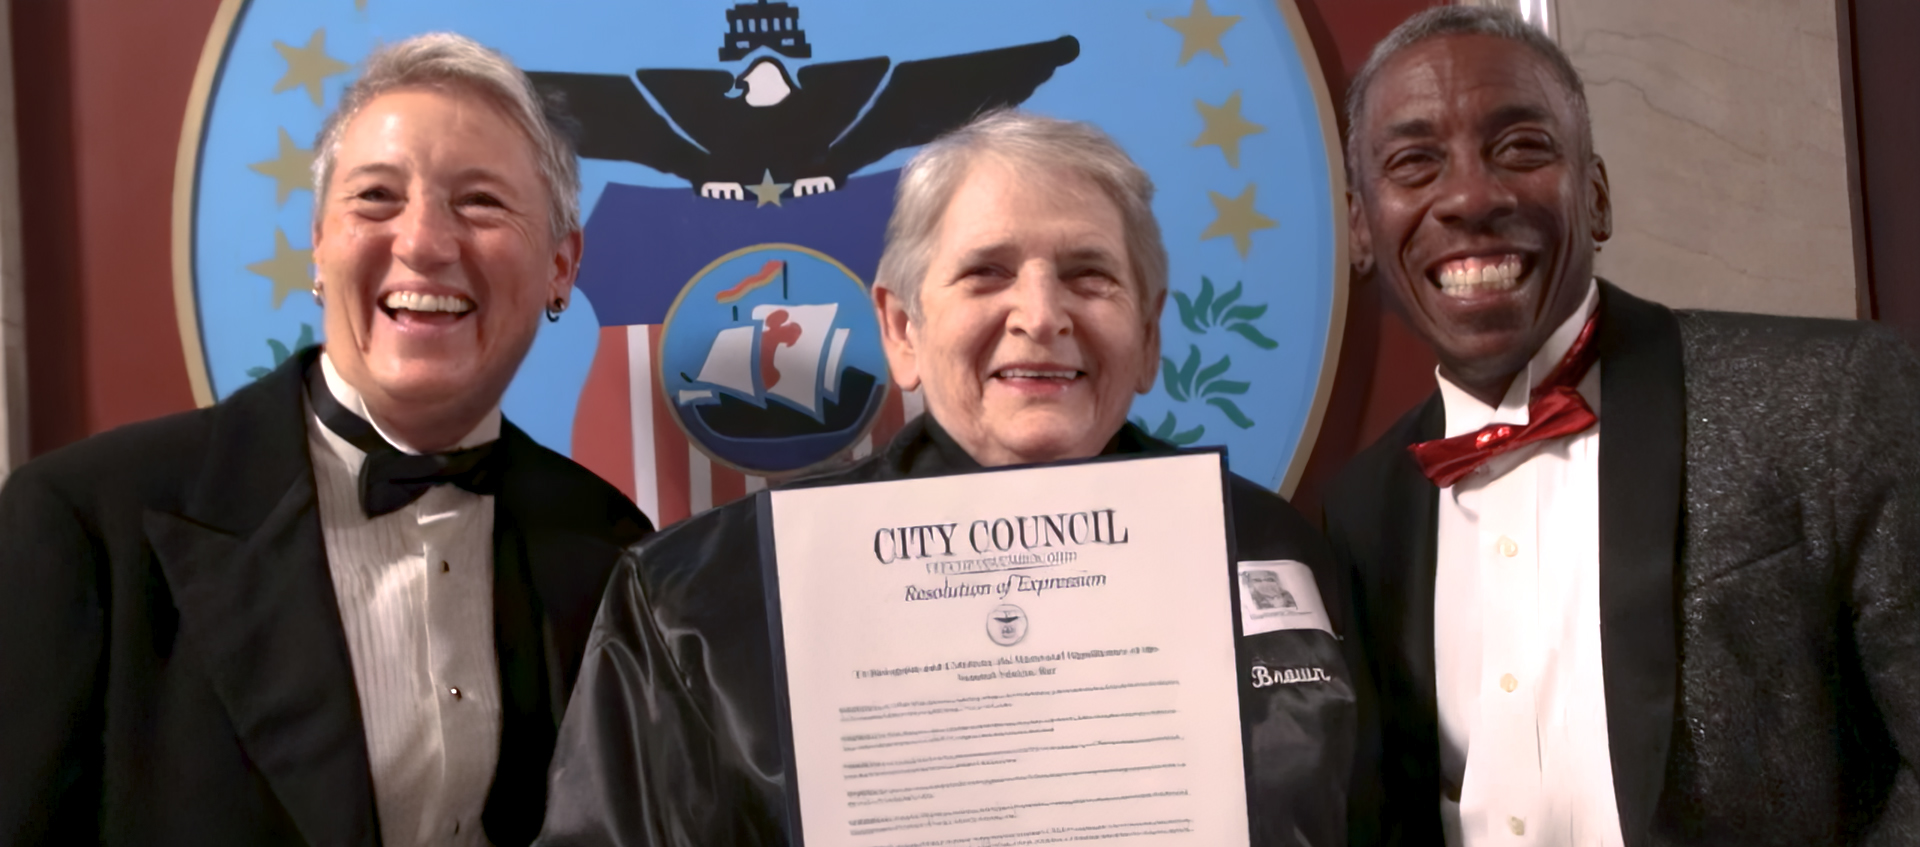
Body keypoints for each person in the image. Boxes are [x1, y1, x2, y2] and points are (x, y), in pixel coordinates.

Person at [538, 110, 1359, 846]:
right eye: (987, 273)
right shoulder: (691, 601)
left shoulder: (1276, 549)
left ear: (1147, 337)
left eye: (1089, 275)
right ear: (902, 329)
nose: (1041, 314)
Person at [0, 33, 653, 846]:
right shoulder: (88, 522)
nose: (422, 243)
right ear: (319, 246)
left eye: (480, 202)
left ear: (562, 265)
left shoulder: (610, 545)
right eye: (376, 198)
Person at [1323, 7, 1920, 846]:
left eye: (1521, 146)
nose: (1469, 196)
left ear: (1595, 197)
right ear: (1361, 229)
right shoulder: (1357, 514)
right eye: (1415, 162)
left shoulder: (1831, 399)